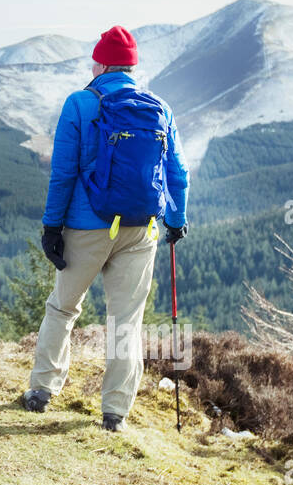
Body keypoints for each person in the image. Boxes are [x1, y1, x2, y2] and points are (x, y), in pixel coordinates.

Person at [22, 26, 189, 430]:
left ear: (98, 64)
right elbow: (178, 173)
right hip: (140, 230)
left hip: (86, 225)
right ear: (132, 66)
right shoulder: (159, 107)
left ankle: (43, 390)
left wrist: (51, 226)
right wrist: (177, 219)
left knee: (62, 307)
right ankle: (114, 413)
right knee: (126, 322)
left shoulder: (79, 103)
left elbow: (62, 174)